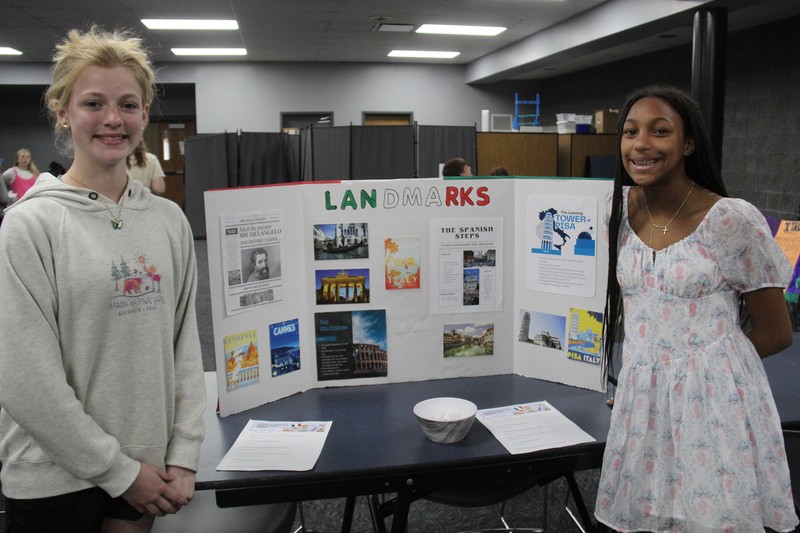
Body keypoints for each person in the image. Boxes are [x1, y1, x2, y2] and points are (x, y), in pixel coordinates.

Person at [0, 26, 205, 533]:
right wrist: (117, 471)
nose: (113, 119)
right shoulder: (32, 223)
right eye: (94, 103)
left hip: (147, 465)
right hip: (55, 476)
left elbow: (184, 347)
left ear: (144, 114)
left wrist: (183, 452)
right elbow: (24, 378)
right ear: (62, 112)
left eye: (128, 105)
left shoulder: (168, 220)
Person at [595, 85, 798, 532]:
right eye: (630, 132)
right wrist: (643, 376)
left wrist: (703, 378)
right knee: (649, 519)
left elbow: (776, 332)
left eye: (659, 131)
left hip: (715, 404)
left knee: (710, 519)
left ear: (688, 144)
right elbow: (640, 309)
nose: (641, 143)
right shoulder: (618, 211)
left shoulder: (730, 219)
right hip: (644, 404)